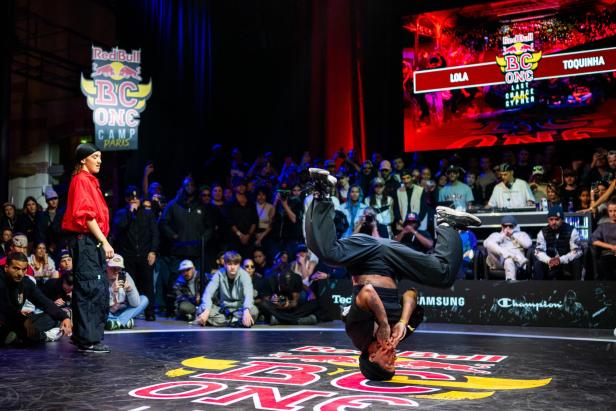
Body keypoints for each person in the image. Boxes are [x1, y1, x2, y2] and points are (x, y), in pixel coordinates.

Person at [304, 168, 481, 380]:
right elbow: (411, 295)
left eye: (387, 362)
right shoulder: (396, 337)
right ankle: (446, 223)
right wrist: (402, 323)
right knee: (443, 274)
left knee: (327, 253)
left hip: (365, 253)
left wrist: (384, 323)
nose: (394, 358)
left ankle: (322, 191)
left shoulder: (358, 335)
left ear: (371, 357)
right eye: (394, 364)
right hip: (392, 258)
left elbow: (367, 293)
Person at [61, 143, 113, 353]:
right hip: (86, 240)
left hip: (90, 241)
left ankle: (84, 336)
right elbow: (87, 216)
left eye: (100, 156)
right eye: (95, 156)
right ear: (84, 160)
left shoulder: (89, 181)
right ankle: (88, 339)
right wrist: (105, 241)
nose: (99, 160)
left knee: (90, 286)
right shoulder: (82, 180)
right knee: (91, 287)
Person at [0, 253, 72, 345]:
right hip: (4, 321)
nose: (20, 273)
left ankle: (17, 336)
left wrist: (64, 317)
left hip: (16, 321)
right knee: (24, 327)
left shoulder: (25, 282)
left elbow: (44, 302)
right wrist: (23, 320)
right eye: (16, 268)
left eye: (23, 269)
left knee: (52, 318)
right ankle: (42, 337)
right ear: (6, 267)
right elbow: (5, 308)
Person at [112, 186, 159, 321]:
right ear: (126, 199)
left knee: (148, 285)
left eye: (136, 198)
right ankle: (130, 312)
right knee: (129, 285)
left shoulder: (148, 214)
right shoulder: (121, 213)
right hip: (128, 255)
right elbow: (118, 230)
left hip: (145, 255)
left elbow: (155, 234)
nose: (134, 200)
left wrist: (153, 251)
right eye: (131, 198)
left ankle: (150, 312)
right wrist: (129, 214)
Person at [196, 251, 258, 327]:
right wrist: (207, 311)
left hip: (240, 308)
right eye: (229, 264)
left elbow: (249, 295)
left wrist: (246, 310)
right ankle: (234, 321)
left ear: (239, 265)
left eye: (235, 264)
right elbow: (208, 293)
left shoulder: (245, 275)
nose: (232, 267)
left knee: (254, 311)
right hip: (223, 308)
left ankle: (224, 321)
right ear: (224, 264)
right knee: (201, 309)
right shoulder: (219, 274)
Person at [534, 206, 583, 280]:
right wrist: (549, 260)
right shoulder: (542, 232)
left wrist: (560, 260)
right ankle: (538, 290)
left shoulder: (572, 231)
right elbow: (538, 252)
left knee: (576, 262)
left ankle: (577, 289)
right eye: (551, 219)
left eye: (557, 219)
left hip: (566, 263)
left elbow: (577, 251)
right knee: (538, 264)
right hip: (549, 263)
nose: (554, 222)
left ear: (562, 220)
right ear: (548, 220)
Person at [105, 254, 149, 330]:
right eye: (113, 268)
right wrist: (112, 291)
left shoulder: (125, 276)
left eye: (119, 268)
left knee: (144, 299)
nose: (116, 271)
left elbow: (136, 304)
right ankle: (123, 321)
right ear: (106, 267)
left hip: (122, 311)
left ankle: (117, 322)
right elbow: (98, 304)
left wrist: (129, 290)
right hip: (107, 312)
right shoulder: (101, 278)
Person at [484, 216, 532, 281]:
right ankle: (510, 255)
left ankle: (510, 287)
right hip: (499, 261)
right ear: (501, 226)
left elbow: (527, 245)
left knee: (509, 261)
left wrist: (513, 234)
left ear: (515, 226)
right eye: (505, 226)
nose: (507, 228)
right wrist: (502, 236)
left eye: (510, 226)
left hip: (515, 262)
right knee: (489, 243)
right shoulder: (496, 235)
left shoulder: (521, 234)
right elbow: (485, 244)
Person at [590, 199, 616, 280]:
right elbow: (593, 239)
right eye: (610, 211)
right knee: (605, 264)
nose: (613, 214)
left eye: (615, 211)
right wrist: (612, 247)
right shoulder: (603, 225)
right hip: (608, 255)